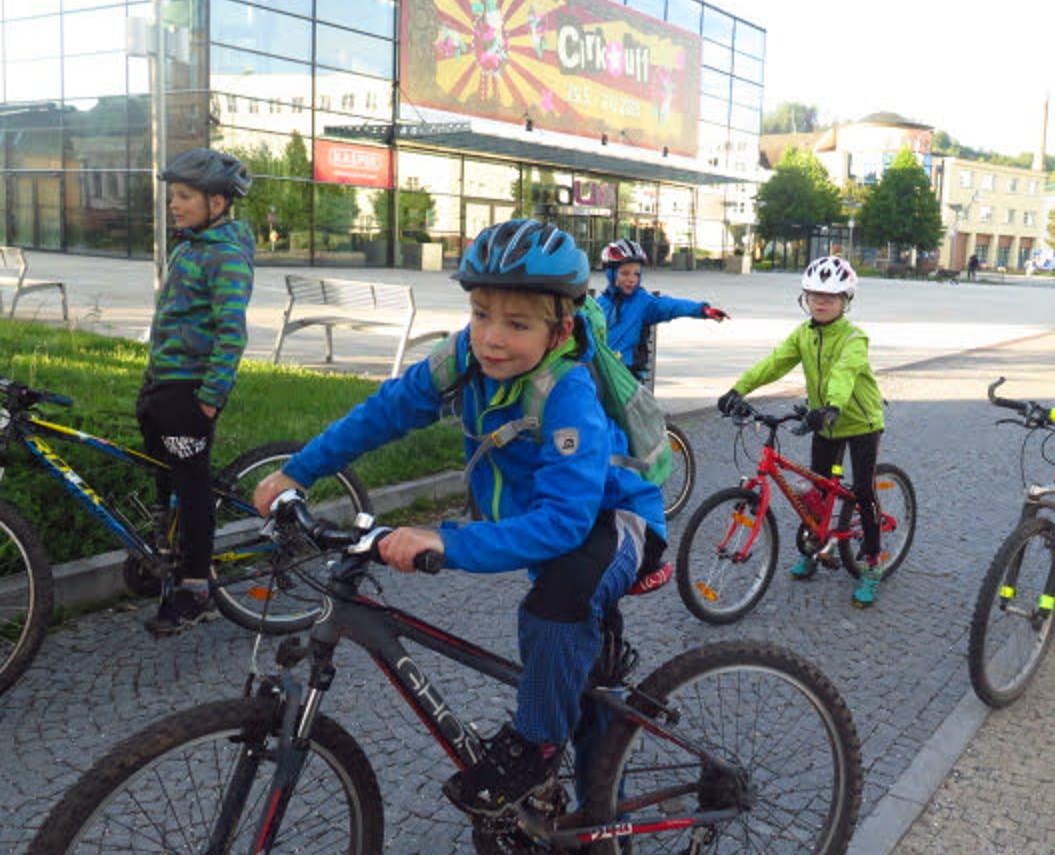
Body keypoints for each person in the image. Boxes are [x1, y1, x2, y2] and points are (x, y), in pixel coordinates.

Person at [252, 219, 667, 818]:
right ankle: (584, 804)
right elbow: (388, 410)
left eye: (517, 324)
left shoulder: (568, 392)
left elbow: (565, 524)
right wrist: (299, 472)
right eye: (480, 314)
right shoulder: (464, 357)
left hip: (615, 521)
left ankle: (545, 759)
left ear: (560, 331)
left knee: (557, 607)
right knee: (576, 667)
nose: (492, 337)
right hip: (546, 520)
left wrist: (445, 540)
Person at [716, 256, 887, 607]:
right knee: (816, 488)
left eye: (831, 296)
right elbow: (774, 363)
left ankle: (871, 562)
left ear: (846, 301)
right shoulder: (803, 334)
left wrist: (833, 405)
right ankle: (815, 546)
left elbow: (844, 372)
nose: (822, 302)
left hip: (860, 422)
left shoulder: (855, 338)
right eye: (815, 295)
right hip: (824, 421)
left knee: (862, 491)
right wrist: (739, 389)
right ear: (805, 298)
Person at [140, 148, 255, 637]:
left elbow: (232, 333)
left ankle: (196, 589)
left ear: (217, 202)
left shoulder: (225, 255)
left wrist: (210, 396)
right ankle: (168, 559)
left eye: (184, 196)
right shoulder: (189, 246)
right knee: (164, 478)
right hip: (163, 386)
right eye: (173, 196)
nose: (174, 204)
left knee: (192, 487)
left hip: (191, 390)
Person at [596, 240, 728, 383]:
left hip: (628, 375)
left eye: (637, 274)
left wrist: (702, 310)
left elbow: (671, 306)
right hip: (600, 372)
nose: (632, 279)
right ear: (611, 274)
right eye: (625, 273)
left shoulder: (643, 302)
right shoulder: (598, 305)